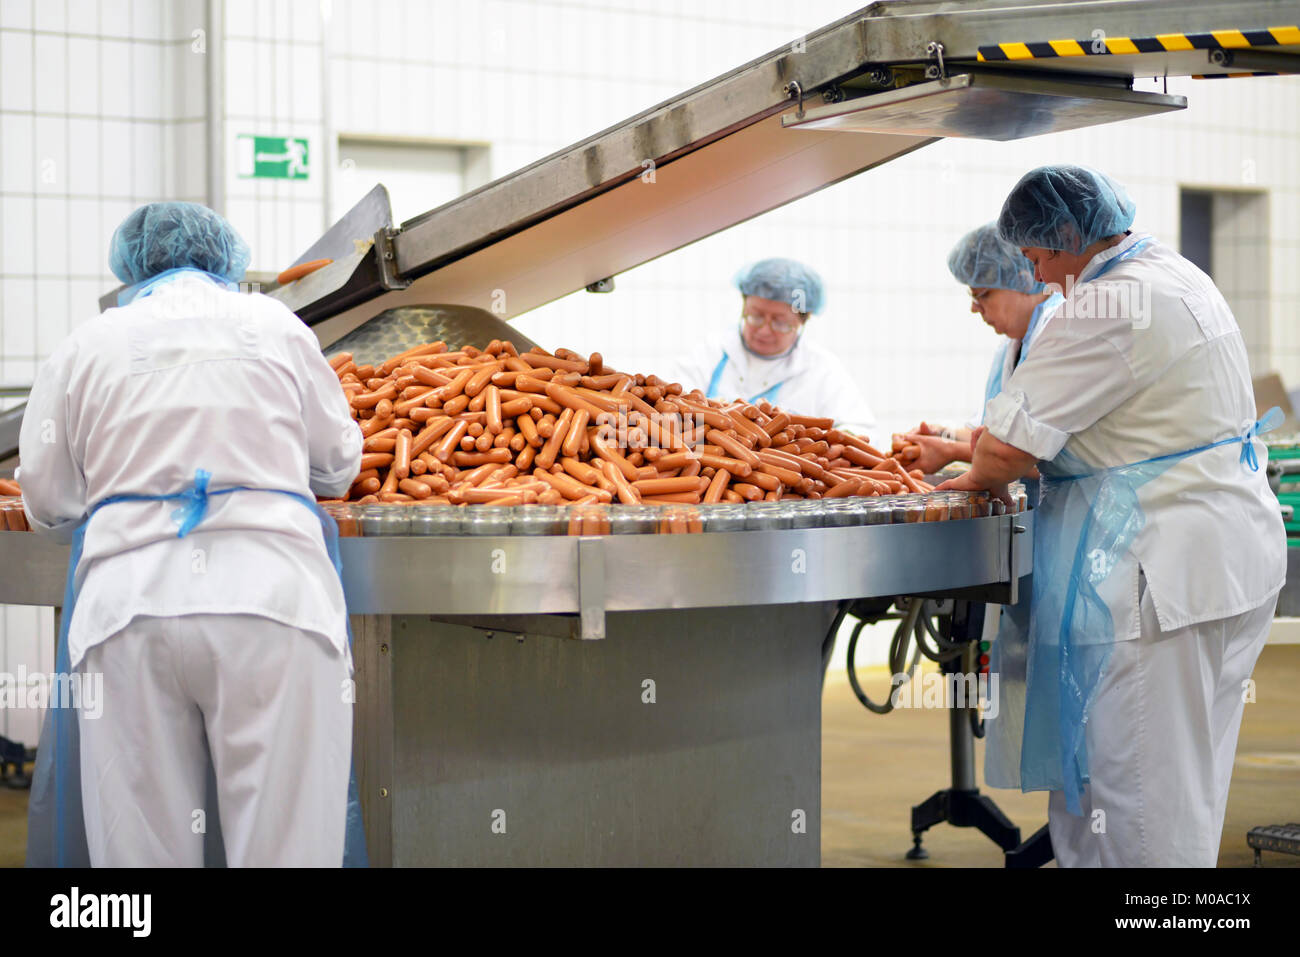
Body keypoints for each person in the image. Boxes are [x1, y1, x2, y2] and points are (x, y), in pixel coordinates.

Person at [937, 166, 1286, 867]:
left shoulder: (1107, 305)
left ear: (1067, 237)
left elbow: (1007, 449)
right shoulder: (1176, 273)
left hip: (1157, 575)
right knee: (1170, 777)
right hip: (1225, 560)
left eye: (1036, 257)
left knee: (1139, 800)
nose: (1036, 273)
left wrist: (961, 480)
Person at [20, 202, 363, 866]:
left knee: (139, 857)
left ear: (130, 265)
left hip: (128, 614)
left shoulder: (87, 344)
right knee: (287, 847)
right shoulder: (276, 325)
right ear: (223, 259)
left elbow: (47, 502)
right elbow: (339, 462)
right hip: (274, 605)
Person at [900, 223, 1062, 476]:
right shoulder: (1011, 346)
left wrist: (950, 450)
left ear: (1022, 280)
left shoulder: (1058, 334)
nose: (975, 308)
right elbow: (991, 433)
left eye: (982, 295)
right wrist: (943, 434)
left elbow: (1050, 459)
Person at [666, 257, 876, 434]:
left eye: (780, 322)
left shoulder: (822, 368)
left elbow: (861, 430)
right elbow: (668, 411)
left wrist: (832, 443)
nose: (764, 330)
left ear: (802, 321)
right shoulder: (709, 353)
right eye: (755, 316)